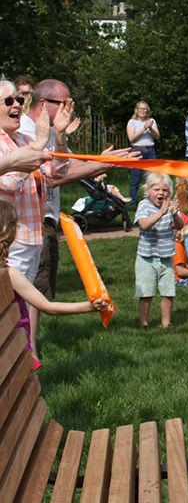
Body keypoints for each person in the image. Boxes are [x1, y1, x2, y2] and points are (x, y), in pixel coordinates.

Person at [20, 80, 137, 305]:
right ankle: (28, 341)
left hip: (46, 221)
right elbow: (54, 177)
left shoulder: (53, 133)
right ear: (43, 104)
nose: (69, 110)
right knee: (32, 295)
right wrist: (103, 165)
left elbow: (69, 165)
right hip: (29, 224)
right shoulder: (24, 132)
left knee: (43, 291)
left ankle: (31, 340)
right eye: (65, 104)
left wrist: (102, 160)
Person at [1, 78, 73, 363]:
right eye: (9, 101)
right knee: (8, 309)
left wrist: (61, 136)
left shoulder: (23, 140)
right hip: (10, 241)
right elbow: (8, 184)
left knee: (20, 311)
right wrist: (43, 141)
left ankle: (23, 365)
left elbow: (56, 171)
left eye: (19, 99)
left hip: (31, 237)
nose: (17, 104)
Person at [0, 200, 109, 369]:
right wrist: (89, 306)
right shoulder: (11, 275)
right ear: (9, 232)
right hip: (14, 354)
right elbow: (48, 307)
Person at [135, 172, 184, 329]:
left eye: (165, 190)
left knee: (168, 292)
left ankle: (166, 323)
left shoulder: (169, 206)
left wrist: (175, 215)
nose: (161, 193)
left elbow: (179, 226)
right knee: (146, 293)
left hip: (166, 257)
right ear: (148, 191)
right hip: (146, 258)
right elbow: (143, 224)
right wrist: (161, 213)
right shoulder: (144, 205)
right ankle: (144, 324)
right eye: (156, 189)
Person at [127, 101, 160, 204]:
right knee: (135, 179)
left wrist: (150, 127)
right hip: (137, 150)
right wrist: (144, 128)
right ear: (137, 110)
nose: (142, 111)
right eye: (140, 109)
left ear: (147, 110)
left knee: (151, 179)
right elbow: (131, 138)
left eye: (144, 109)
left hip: (150, 150)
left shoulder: (151, 121)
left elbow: (157, 136)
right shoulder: (132, 122)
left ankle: (149, 201)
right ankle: (133, 202)